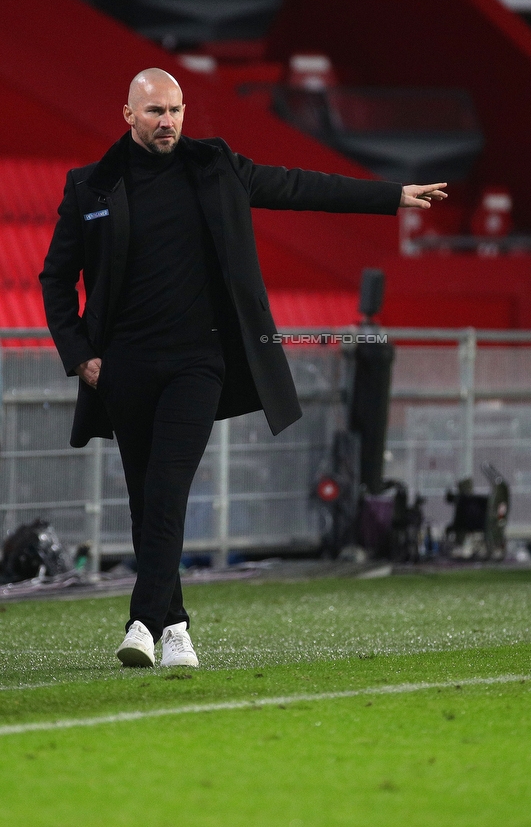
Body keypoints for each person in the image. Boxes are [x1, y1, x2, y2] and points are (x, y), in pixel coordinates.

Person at [40, 67, 448, 666]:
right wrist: (81, 357)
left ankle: (140, 624)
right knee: (145, 499)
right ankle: (175, 625)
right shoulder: (92, 187)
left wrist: (390, 195)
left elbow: (300, 187)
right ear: (128, 116)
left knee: (168, 490)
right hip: (124, 367)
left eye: (176, 110)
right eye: (155, 112)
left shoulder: (215, 167)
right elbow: (55, 277)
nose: (169, 121)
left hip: (199, 364)